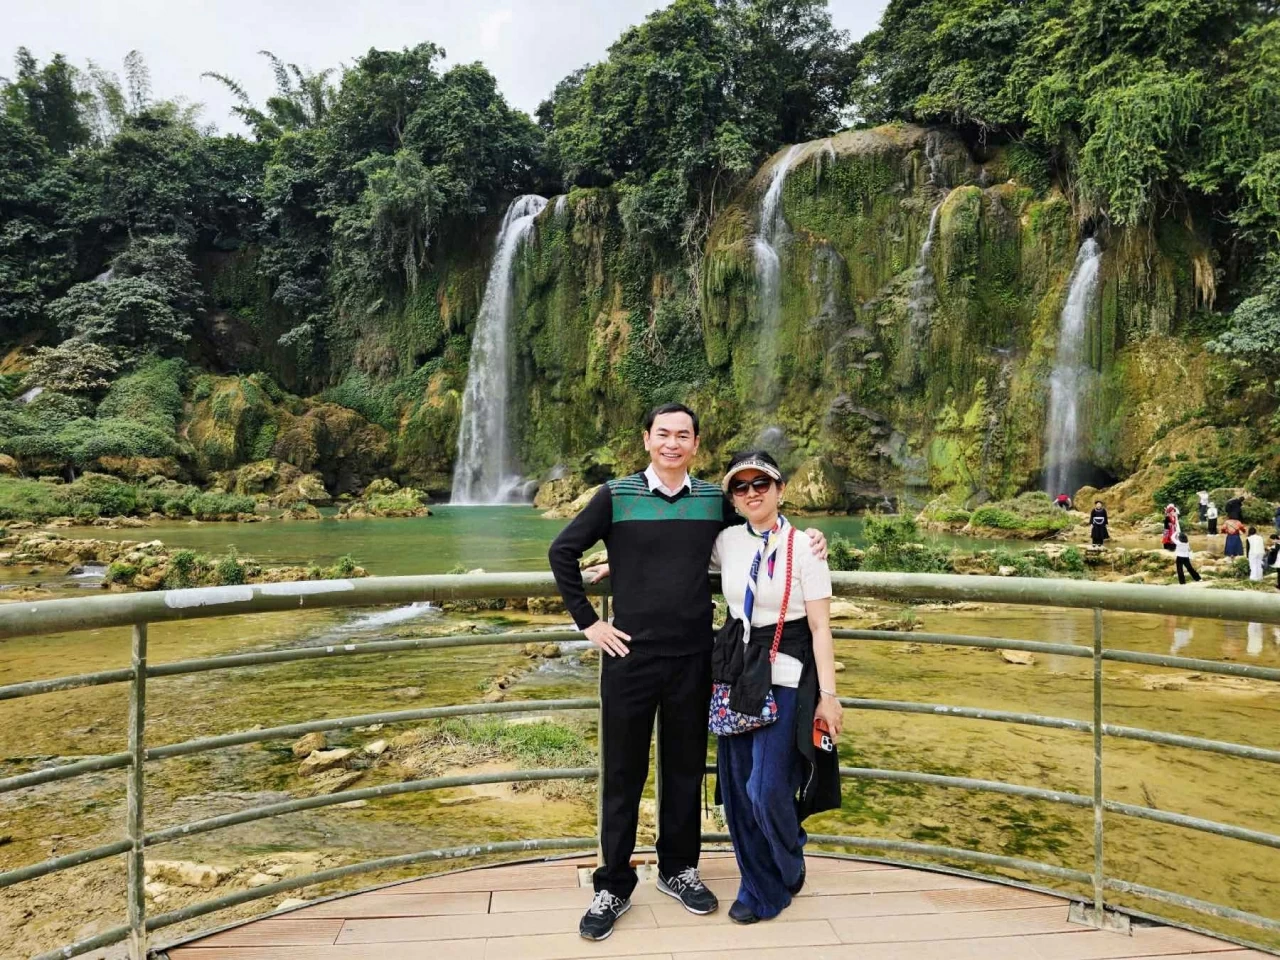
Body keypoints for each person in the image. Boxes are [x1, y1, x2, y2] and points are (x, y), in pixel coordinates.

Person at [546, 403, 827, 941]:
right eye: (663, 434)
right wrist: (589, 623)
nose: (672, 443)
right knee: (623, 773)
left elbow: (760, 532)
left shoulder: (712, 501)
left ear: (696, 445)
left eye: (683, 435)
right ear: (647, 440)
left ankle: (678, 869)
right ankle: (613, 884)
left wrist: (813, 537)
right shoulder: (616, 496)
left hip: (696, 659)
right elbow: (562, 552)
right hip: (628, 658)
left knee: (684, 771)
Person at [710, 451, 842, 924]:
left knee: (765, 788)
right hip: (737, 674)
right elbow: (670, 557)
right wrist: (618, 565)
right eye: (741, 486)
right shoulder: (725, 541)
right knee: (738, 788)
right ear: (733, 498)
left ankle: (788, 859)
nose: (752, 493)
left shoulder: (806, 547)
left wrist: (829, 696)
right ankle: (760, 886)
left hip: (786, 677)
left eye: (761, 484)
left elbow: (822, 628)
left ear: (781, 490)